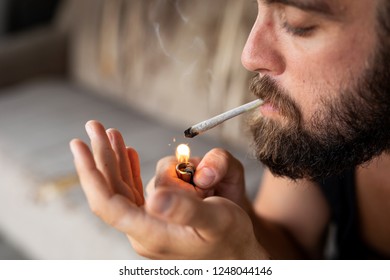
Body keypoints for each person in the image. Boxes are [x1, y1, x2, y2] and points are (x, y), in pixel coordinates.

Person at [70, 0, 390, 259]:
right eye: (259, 8)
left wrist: (244, 261)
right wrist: (231, 232)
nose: (250, 56)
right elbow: (291, 246)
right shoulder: (328, 127)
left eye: (298, 23)